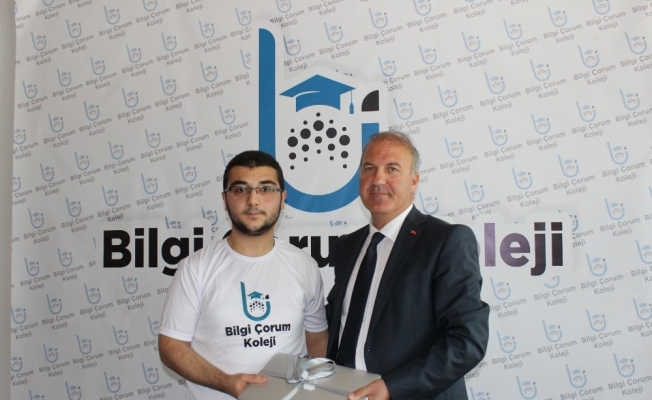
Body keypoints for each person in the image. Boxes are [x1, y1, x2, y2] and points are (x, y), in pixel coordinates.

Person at [326, 131, 489, 400]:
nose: (378, 179)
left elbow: (467, 341)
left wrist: (392, 387)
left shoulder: (445, 240)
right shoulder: (348, 246)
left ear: (414, 181)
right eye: (369, 168)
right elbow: (336, 322)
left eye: (392, 169)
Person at [158, 150, 329, 400]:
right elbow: (171, 346)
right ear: (225, 199)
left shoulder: (304, 266)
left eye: (266, 189)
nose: (253, 200)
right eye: (240, 189)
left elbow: (317, 340)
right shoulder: (195, 268)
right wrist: (225, 382)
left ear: (282, 199)